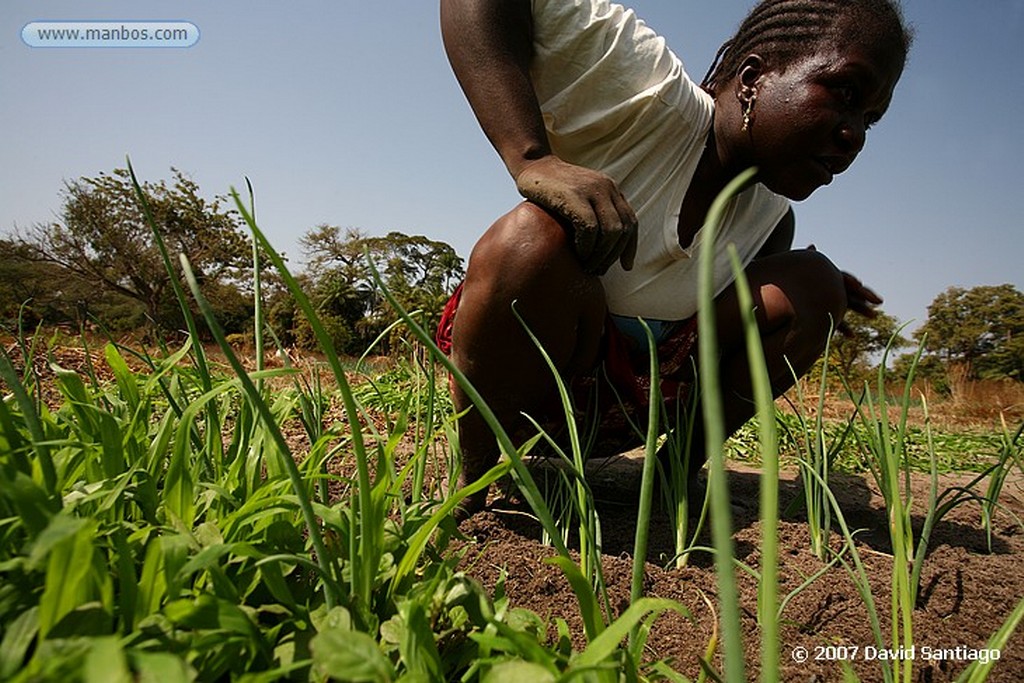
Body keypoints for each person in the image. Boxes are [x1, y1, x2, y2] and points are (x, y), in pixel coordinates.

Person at [437, 0, 912, 515]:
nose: (854, 136)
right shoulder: (648, 96)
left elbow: (732, 326)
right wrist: (531, 156)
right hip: (520, 396)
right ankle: (475, 480)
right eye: (845, 93)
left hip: (622, 413)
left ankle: (669, 477)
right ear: (751, 77)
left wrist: (819, 291)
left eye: (871, 119)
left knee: (815, 283)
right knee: (530, 240)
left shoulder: (772, 219)